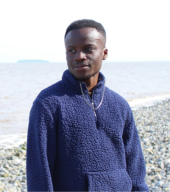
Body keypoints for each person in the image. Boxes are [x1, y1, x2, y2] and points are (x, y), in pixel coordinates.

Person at [26, 19, 149, 191]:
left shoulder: (120, 105)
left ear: (104, 53)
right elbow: (39, 170)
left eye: (88, 49)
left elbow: (135, 167)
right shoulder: (48, 103)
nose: (79, 56)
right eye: (72, 50)